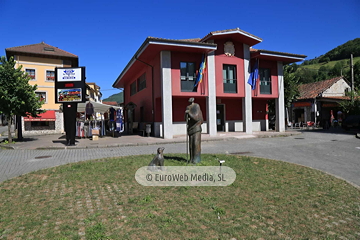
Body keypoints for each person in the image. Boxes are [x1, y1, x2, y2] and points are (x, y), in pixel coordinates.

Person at [185, 98, 203, 164]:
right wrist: (186, 115)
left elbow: (197, 117)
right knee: (191, 145)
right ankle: (191, 159)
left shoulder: (196, 106)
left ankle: (196, 160)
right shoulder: (188, 107)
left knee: (195, 144)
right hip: (190, 128)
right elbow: (186, 118)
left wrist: (189, 113)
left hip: (196, 127)